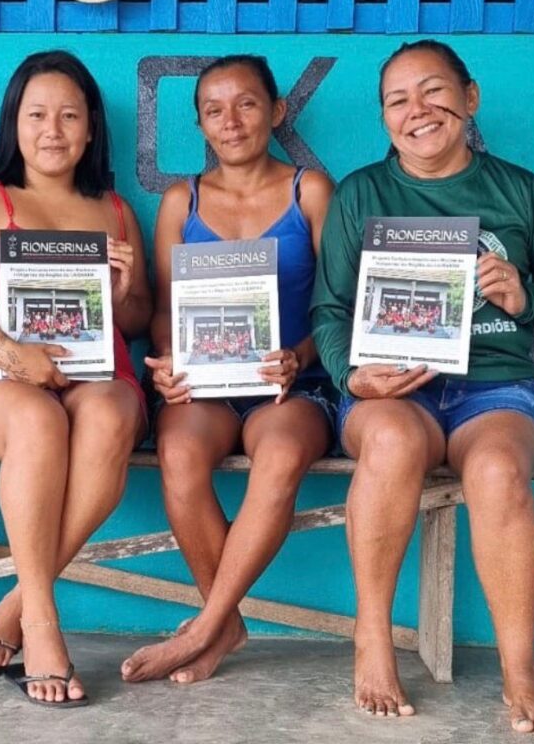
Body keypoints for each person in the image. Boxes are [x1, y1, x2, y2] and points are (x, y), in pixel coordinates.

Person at [310, 40, 534, 733]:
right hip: (393, 389)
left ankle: (520, 669)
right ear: (384, 118)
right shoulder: (361, 194)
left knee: (498, 470)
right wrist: (352, 374)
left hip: (491, 389)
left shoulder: (517, 190)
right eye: (397, 100)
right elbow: (328, 311)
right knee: (389, 441)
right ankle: (372, 638)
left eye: (434, 90)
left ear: (470, 98)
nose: (417, 110)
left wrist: (526, 297)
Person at [0, 50, 151, 707]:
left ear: (91, 128)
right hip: (2, 376)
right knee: (38, 419)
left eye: (69, 116)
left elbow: (138, 320)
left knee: (110, 416)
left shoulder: (116, 209)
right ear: (14, 123)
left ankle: (14, 605)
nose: (53, 130)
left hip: (100, 373)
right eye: (36, 115)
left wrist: (124, 290)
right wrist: (12, 354)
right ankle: (40, 622)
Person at [120, 54, 336, 685]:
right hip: (206, 385)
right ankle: (228, 625)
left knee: (280, 454)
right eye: (214, 111)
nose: (231, 122)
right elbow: (164, 311)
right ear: (200, 125)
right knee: (178, 452)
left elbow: (339, 306)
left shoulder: (310, 191)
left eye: (246, 105)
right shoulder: (180, 200)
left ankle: (205, 628)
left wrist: (300, 357)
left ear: (277, 111)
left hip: (291, 386)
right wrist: (167, 364)